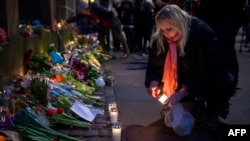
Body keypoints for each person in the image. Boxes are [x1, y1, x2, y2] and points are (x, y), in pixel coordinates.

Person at [144, 4, 237, 130]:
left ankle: (211, 113)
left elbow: (209, 71)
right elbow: (153, 66)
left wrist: (185, 91)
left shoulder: (201, 34)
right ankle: (178, 105)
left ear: (179, 24)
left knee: (222, 82)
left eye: (169, 29)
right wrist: (153, 82)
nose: (165, 34)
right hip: (185, 76)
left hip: (205, 78)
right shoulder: (160, 38)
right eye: (162, 30)